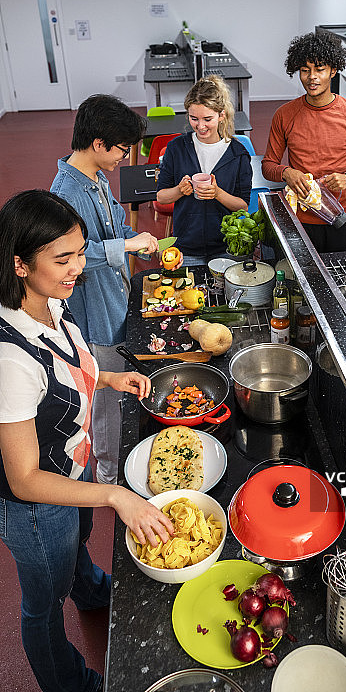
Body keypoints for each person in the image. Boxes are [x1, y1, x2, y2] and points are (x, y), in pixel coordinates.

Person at [0, 190, 174, 692]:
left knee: (74, 546)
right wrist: (115, 495)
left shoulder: (51, 301)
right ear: (19, 264)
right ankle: (71, 684)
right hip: (36, 504)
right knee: (43, 606)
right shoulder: (11, 360)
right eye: (62, 259)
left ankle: (95, 591)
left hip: (72, 473)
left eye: (79, 252)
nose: (77, 268)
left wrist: (108, 379)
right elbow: (24, 479)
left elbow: (65, 366)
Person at [50, 94, 159, 484]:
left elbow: (115, 229)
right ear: (99, 144)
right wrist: (126, 246)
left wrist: (140, 238)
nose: (123, 158)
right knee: (108, 398)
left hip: (116, 296)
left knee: (121, 387)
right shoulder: (66, 193)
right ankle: (110, 476)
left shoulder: (96, 179)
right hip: (96, 309)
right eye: (121, 150)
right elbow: (71, 257)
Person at [261, 31, 346, 252]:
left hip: (340, 218)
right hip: (298, 219)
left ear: (333, 70)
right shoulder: (284, 115)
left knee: (339, 282)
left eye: (319, 69)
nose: (312, 77)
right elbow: (268, 166)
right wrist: (286, 172)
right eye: (304, 70)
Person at [156, 75, 252, 265]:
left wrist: (217, 193)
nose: (200, 126)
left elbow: (242, 205)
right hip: (186, 246)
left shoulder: (238, 154)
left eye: (207, 119)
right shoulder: (176, 148)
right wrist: (179, 190)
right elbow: (161, 197)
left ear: (221, 115)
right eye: (194, 118)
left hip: (225, 247)